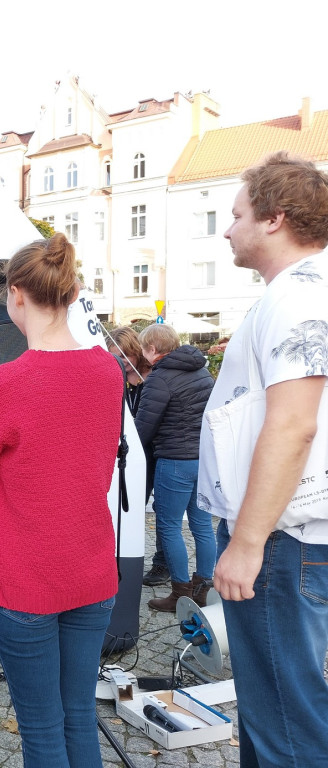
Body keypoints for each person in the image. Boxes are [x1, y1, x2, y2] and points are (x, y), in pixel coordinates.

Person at [0, 233, 122, 768]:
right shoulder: (107, 371)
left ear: (16, 295)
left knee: (43, 730)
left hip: (25, 577)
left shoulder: (4, 383)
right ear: (70, 294)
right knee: (76, 718)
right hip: (91, 568)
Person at [199, 152, 328, 767]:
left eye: (237, 215)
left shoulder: (297, 298)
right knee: (274, 711)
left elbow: (295, 423)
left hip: (282, 539)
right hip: (290, 535)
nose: (227, 230)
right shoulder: (305, 291)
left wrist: (246, 543)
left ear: (275, 219)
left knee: (287, 725)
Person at [134, 323, 215, 612]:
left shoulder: (160, 377)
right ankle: (205, 588)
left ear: (153, 349)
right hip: (203, 460)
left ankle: (180, 593)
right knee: (203, 526)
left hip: (175, 461)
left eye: (144, 348)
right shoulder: (202, 371)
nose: (143, 354)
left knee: (169, 526)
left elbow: (143, 427)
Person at [106, 326, 164, 585]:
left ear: (134, 352)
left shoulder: (152, 379)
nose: (121, 364)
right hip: (130, 452)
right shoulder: (119, 379)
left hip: (153, 453)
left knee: (160, 509)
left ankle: (162, 564)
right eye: (114, 358)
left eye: (123, 357)